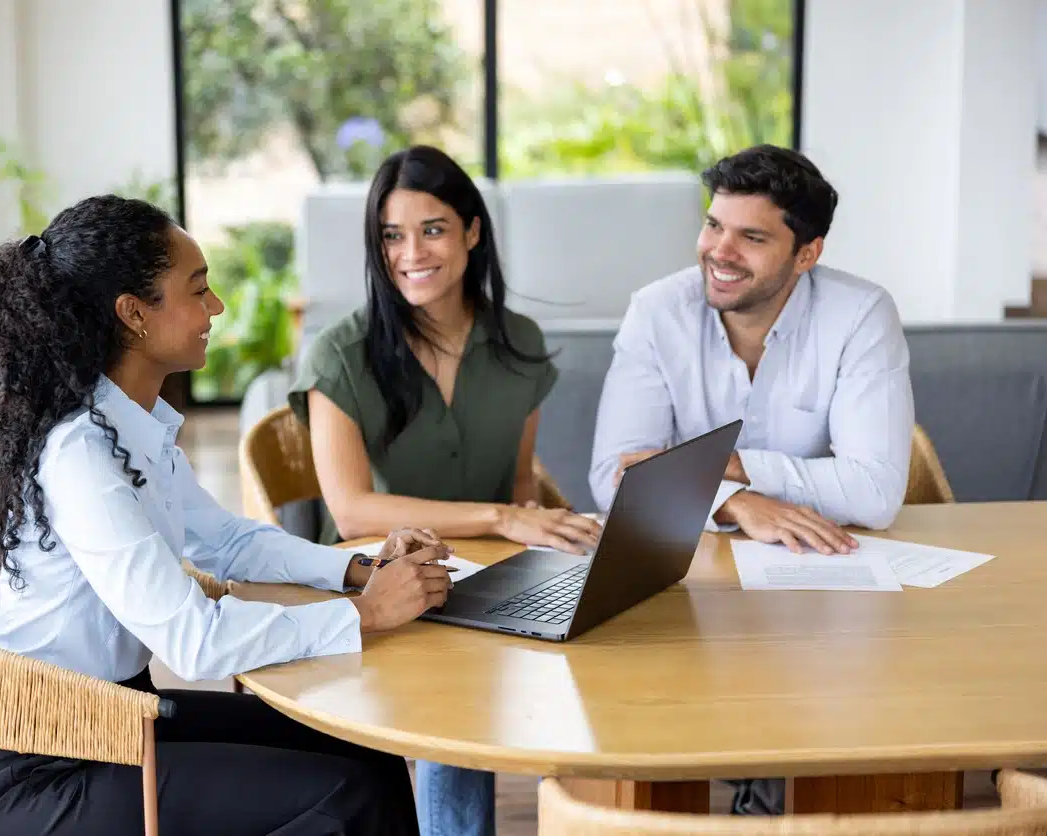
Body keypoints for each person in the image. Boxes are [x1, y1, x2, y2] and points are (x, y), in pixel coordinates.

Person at [0, 194, 454, 835]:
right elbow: (193, 639)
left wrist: (359, 569)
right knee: (345, 794)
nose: (215, 307)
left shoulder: (126, 427)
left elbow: (228, 542)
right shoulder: (80, 451)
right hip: (38, 767)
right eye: (198, 290)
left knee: (364, 745)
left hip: (114, 716)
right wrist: (368, 613)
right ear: (133, 315)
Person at [588, 144, 914, 814]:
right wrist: (737, 502)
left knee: (834, 727)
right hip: (686, 580)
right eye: (714, 225)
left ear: (806, 253)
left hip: (820, 590)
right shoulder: (657, 311)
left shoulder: (859, 315)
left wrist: (729, 467)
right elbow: (612, 476)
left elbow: (876, 492)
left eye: (751, 236)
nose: (719, 250)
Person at [289, 145, 601, 836]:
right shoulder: (339, 354)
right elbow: (350, 511)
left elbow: (520, 485)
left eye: (431, 229)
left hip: (485, 583)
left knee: (608, 647)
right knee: (459, 701)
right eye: (391, 236)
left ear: (471, 232)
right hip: (374, 585)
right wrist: (504, 517)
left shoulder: (516, 342)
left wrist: (557, 534)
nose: (410, 253)